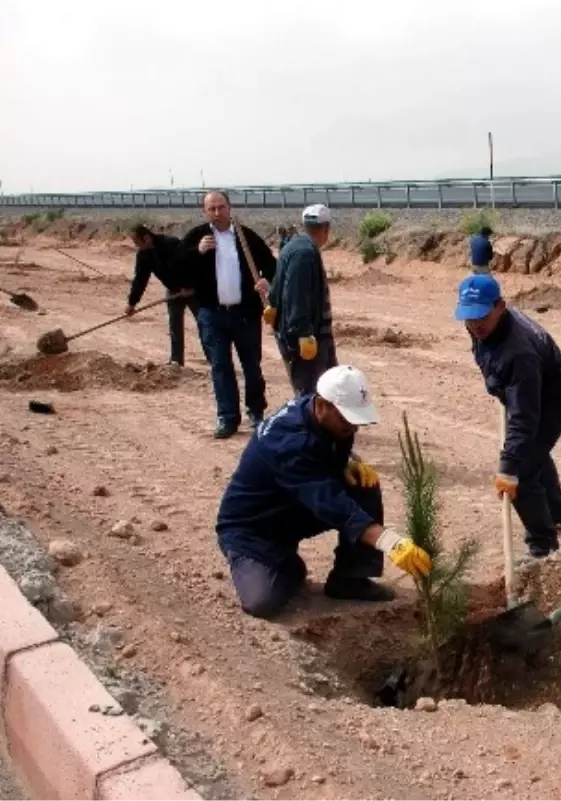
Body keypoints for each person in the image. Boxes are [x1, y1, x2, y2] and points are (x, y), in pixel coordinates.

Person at [214, 364, 432, 619]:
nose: (353, 428)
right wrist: (391, 543)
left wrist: (348, 461)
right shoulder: (287, 443)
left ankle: (350, 578)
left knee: (363, 485)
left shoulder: (322, 415)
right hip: (252, 530)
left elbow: (321, 464)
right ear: (321, 405)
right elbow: (331, 503)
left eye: (356, 420)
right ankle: (282, 565)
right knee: (262, 602)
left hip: (290, 508)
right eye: (347, 419)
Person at [455, 274, 561, 560]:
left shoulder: (519, 353)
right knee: (533, 452)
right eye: (469, 317)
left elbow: (525, 418)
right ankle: (556, 509)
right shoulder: (484, 327)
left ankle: (543, 546)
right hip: (522, 392)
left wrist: (508, 467)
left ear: (500, 306)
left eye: (482, 316)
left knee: (522, 467)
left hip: (549, 404)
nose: (475, 324)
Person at [176, 190, 277, 439]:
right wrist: (196, 252)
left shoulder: (246, 237)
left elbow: (272, 267)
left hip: (245, 313)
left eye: (221, 207)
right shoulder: (196, 238)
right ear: (204, 212)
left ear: (230, 208)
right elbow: (177, 271)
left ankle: (256, 412)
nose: (217, 213)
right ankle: (228, 418)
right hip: (211, 313)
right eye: (212, 209)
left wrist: (266, 283)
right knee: (220, 366)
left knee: (251, 365)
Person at [269, 204, 337, 395]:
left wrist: (273, 304)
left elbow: (277, 287)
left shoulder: (294, 246)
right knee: (313, 395)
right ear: (326, 229)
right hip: (307, 340)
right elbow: (296, 294)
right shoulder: (304, 254)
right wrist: (303, 334)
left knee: (320, 390)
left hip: (307, 336)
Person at [125, 224, 205, 368]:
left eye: (137, 242)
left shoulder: (171, 243)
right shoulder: (144, 255)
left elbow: (192, 263)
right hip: (173, 292)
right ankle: (176, 362)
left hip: (193, 291)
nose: (137, 246)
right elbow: (140, 280)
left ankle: (215, 359)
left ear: (147, 238)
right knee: (175, 325)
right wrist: (132, 303)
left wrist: (191, 286)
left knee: (204, 323)